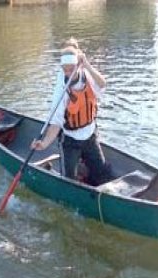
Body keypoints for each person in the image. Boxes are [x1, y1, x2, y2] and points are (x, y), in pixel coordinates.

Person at [31, 39, 111, 186]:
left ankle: (86, 170)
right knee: (70, 182)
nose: (69, 73)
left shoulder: (87, 75)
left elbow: (103, 84)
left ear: (78, 65)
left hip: (90, 137)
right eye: (65, 69)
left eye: (72, 68)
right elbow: (56, 123)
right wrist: (44, 144)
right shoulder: (61, 90)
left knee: (103, 176)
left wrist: (86, 64)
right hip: (71, 141)